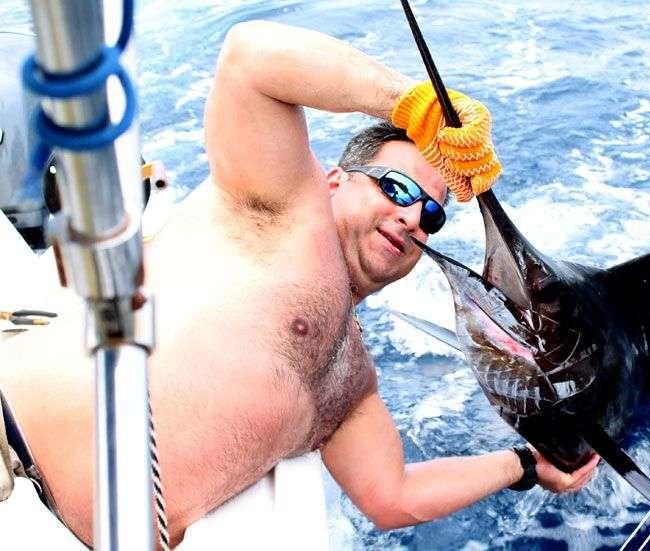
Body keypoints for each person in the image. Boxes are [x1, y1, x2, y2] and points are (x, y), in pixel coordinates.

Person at [0, 20, 599, 548]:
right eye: (396, 188)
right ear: (336, 181)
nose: (413, 216)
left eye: (432, 215)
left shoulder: (351, 378)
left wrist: (526, 464)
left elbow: (393, 496)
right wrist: (411, 103)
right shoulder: (281, 205)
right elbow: (251, 57)